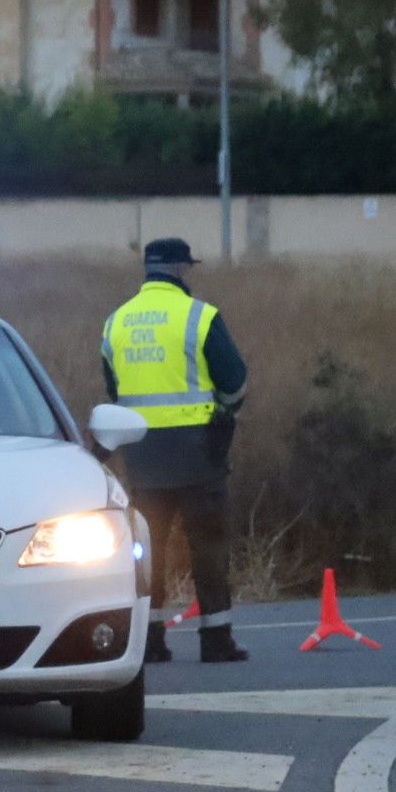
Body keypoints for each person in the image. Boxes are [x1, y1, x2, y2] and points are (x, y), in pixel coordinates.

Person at [102, 238, 249, 663]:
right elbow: (235, 379)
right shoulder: (199, 317)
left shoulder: (116, 322)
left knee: (148, 548)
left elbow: (115, 390)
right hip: (199, 451)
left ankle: (150, 640)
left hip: (142, 454)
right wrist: (225, 414)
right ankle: (216, 640)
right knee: (208, 543)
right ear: (182, 269)